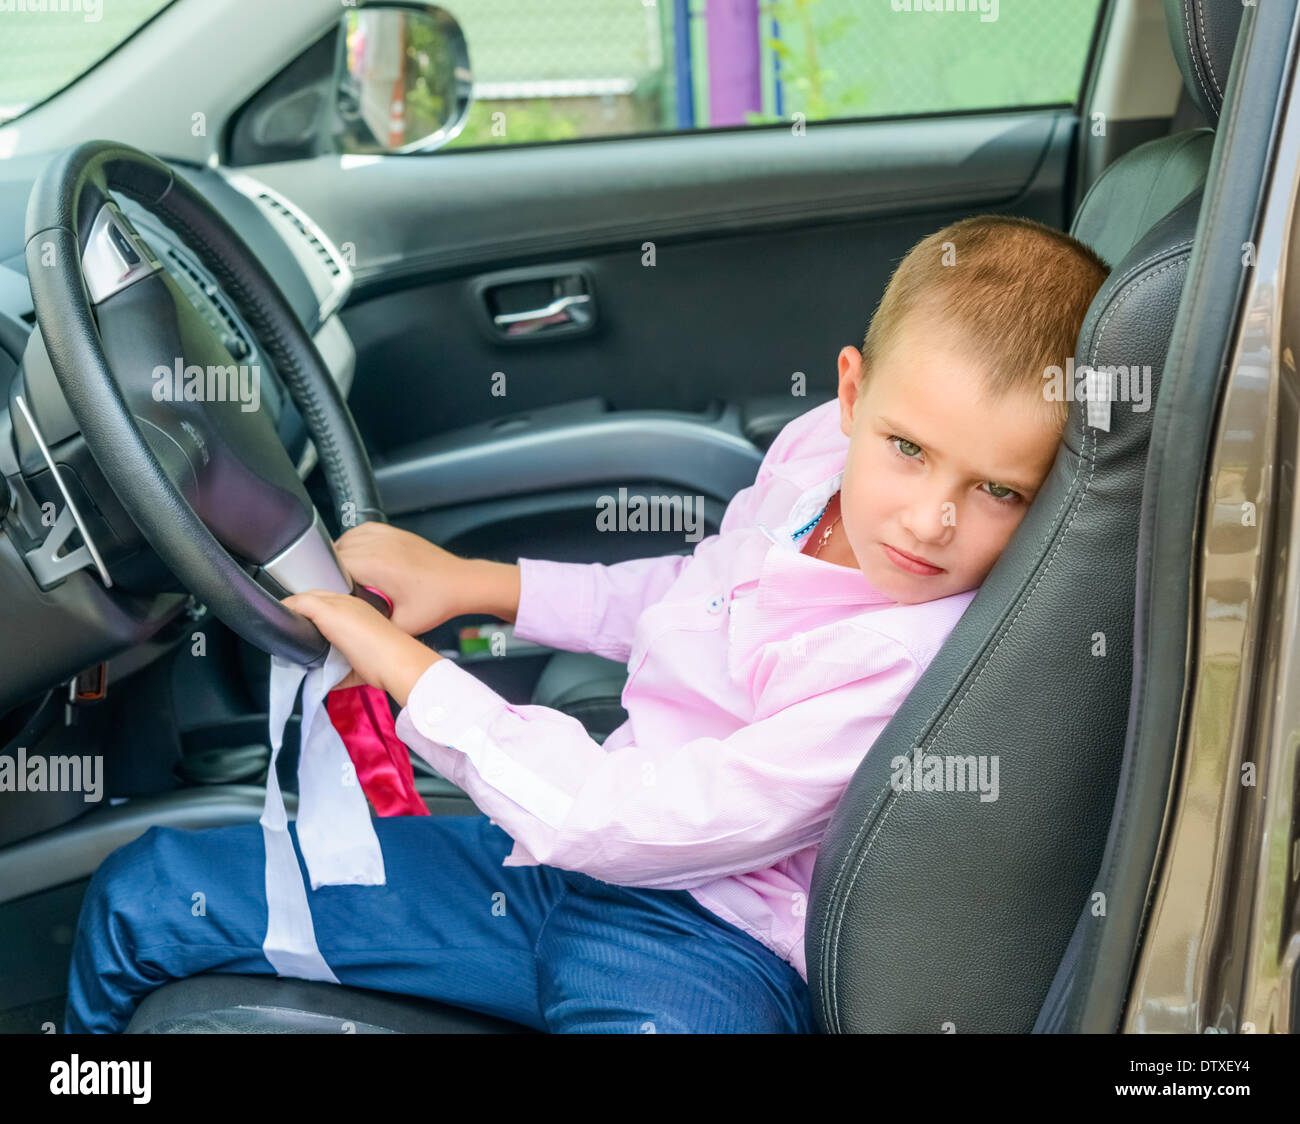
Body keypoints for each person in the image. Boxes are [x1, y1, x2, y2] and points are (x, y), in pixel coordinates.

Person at [63, 214, 1109, 1034]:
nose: (931, 518)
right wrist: (479, 582)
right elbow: (695, 593)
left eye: (999, 492)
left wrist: (409, 669)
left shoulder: (902, 659)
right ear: (849, 393)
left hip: (709, 940)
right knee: (145, 893)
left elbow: (635, 820)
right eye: (910, 449)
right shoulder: (810, 461)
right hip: (560, 866)